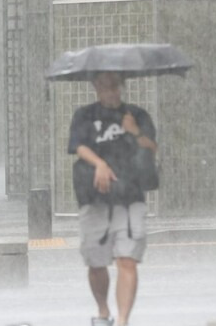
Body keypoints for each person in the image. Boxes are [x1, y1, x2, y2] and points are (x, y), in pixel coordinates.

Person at [68, 72, 157, 326]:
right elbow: (78, 146)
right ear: (96, 87)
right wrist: (100, 164)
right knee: (96, 261)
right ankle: (103, 309)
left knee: (127, 258)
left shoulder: (136, 115)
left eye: (114, 85)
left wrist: (135, 132)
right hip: (95, 198)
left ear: (121, 86)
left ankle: (123, 320)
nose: (110, 90)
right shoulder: (84, 115)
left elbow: (152, 147)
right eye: (104, 85)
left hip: (130, 199)